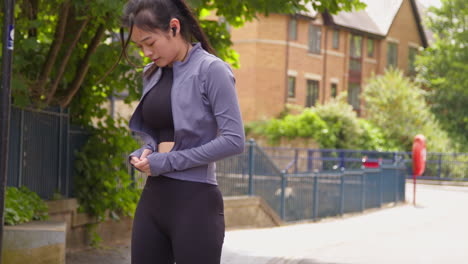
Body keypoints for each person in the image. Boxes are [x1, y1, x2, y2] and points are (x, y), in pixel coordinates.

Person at [121, 0, 245, 263]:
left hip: (195, 203)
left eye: (150, 42)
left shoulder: (212, 70)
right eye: (139, 46)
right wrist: (147, 150)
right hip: (153, 200)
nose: (145, 53)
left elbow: (234, 140)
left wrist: (166, 161)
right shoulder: (151, 73)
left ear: (174, 28)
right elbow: (159, 132)